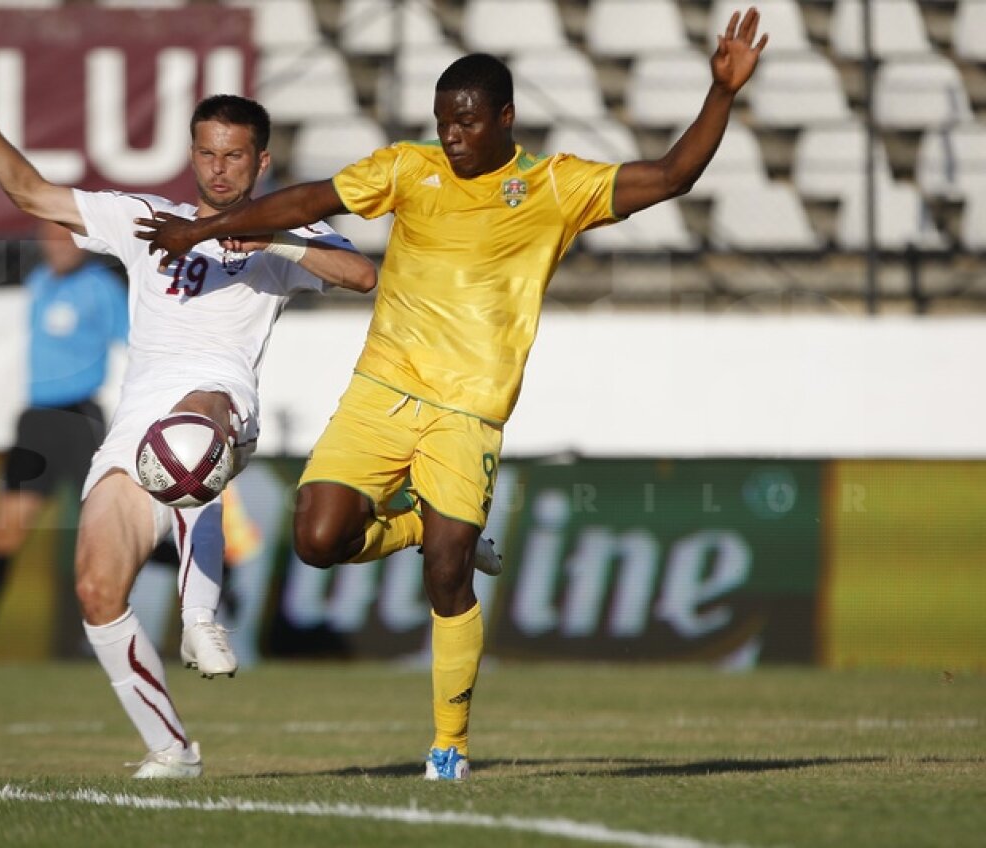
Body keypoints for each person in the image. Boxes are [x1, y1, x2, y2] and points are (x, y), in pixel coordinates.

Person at [136, 10, 769, 781]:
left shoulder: (554, 186)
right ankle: (418, 528)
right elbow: (308, 202)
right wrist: (208, 229)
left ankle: (448, 746)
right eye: (444, 122)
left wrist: (720, 93)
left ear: (506, 117)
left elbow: (671, 177)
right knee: (317, 540)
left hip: (467, 412)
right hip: (381, 392)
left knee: (447, 575)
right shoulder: (410, 168)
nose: (455, 136)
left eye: (468, 121)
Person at [0, 66, 376, 778]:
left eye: (235, 156)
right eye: (207, 153)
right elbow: (31, 192)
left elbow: (364, 276)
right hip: (133, 429)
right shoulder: (145, 217)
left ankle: (200, 616)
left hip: (222, 404)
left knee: (192, 430)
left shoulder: (286, 229)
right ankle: (171, 748)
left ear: (263, 162)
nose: (220, 169)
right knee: (96, 588)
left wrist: (268, 240)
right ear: (193, 154)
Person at [0, 222, 128, 667]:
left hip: (78, 420)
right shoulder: (38, 284)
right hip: (35, 423)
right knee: (3, 530)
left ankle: (203, 589)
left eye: (64, 237)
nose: (55, 245)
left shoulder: (102, 288)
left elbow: (137, 345)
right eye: (48, 237)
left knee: (106, 529)